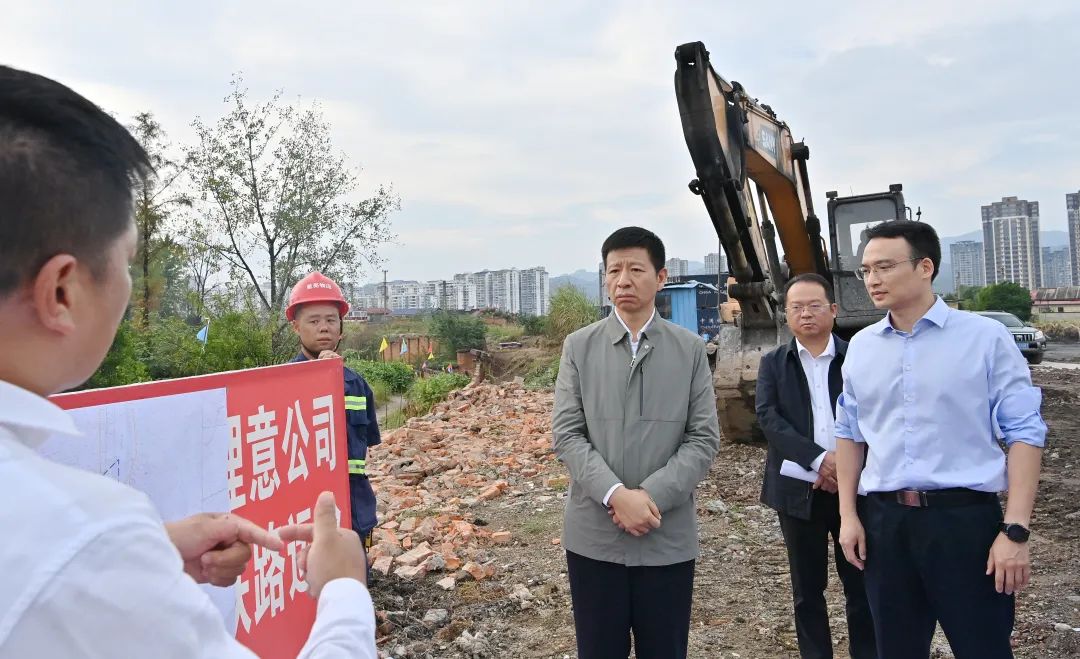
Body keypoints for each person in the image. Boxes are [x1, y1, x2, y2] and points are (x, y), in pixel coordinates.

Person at [0, 64, 375, 657]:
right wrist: (343, 590)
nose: (129, 284)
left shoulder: (75, 538)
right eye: (126, 260)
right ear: (62, 293)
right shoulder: (81, 534)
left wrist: (148, 550)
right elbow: (68, 559)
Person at [835, 220, 1046, 659]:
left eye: (885, 267)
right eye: (865, 270)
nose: (872, 279)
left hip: (963, 524)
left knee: (982, 646)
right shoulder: (862, 347)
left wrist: (1016, 530)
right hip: (885, 525)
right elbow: (850, 434)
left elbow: (1025, 433)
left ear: (925, 266)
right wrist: (849, 517)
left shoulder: (984, 338)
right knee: (894, 649)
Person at [552, 226, 721, 659]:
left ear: (661, 277)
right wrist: (614, 495)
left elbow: (702, 439)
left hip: (666, 537)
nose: (623, 280)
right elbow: (568, 434)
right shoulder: (579, 347)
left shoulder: (689, 350)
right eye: (614, 270)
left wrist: (649, 497)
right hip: (594, 538)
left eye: (635, 269)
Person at [756, 273, 876, 659]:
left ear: (833, 310)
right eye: (796, 307)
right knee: (807, 590)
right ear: (786, 314)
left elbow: (876, 416)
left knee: (860, 584)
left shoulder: (858, 358)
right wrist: (820, 459)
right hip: (797, 491)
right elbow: (769, 418)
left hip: (855, 490)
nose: (805, 314)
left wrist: (845, 468)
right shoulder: (774, 363)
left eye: (814, 306)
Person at [286, 273, 381, 549]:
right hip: (304, 506)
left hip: (354, 503)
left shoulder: (357, 385)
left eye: (330, 320)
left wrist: (335, 377)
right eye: (313, 321)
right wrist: (320, 377)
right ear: (295, 327)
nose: (323, 328)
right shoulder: (282, 384)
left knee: (356, 574)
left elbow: (369, 443)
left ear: (341, 328)